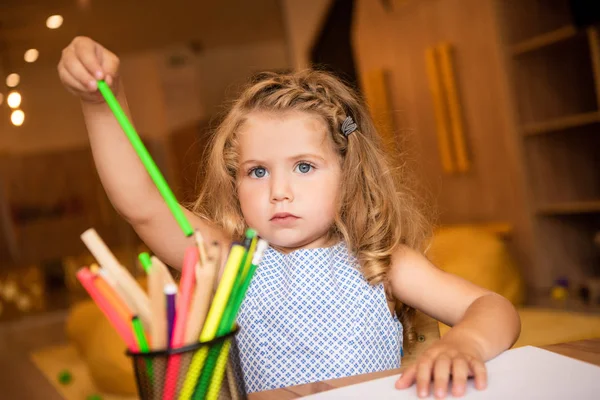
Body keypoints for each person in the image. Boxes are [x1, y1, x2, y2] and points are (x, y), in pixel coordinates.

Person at [58, 36, 520, 398]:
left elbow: (494, 309)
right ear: (234, 183)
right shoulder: (228, 261)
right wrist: (101, 102)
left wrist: (466, 344)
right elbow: (143, 205)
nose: (279, 191)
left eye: (304, 166)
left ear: (348, 173)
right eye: (257, 171)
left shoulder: (380, 262)